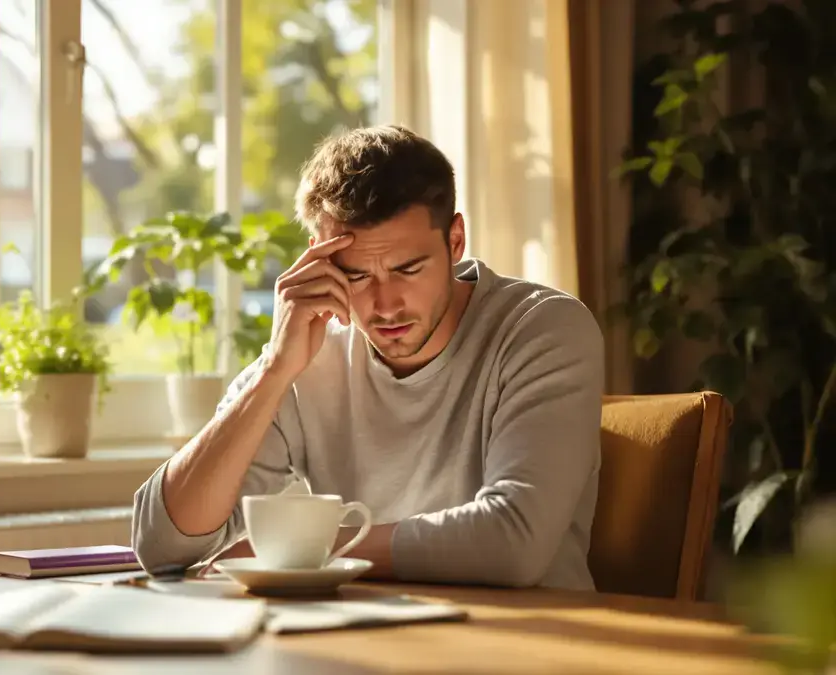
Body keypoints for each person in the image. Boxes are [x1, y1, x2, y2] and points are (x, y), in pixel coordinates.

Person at [131, 125, 604, 590]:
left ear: (455, 241)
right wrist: (275, 369)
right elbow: (160, 545)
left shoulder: (544, 329)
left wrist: (306, 551)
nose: (385, 305)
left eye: (408, 269)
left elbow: (514, 542)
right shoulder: (310, 353)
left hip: (533, 644)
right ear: (318, 261)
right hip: (370, 641)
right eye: (357, 276)